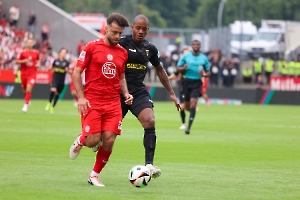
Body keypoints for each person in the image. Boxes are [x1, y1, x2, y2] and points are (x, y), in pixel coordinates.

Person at [69, 13, 133, 187]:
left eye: (120, 33)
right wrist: (81, 97)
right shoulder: (91, 47)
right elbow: (76, 72)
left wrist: (126, 94)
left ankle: (94, 175)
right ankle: (81, 140)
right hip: (93, 101)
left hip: (113, 102)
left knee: (110, 139)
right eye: (114, 32)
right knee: (93, 141)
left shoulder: (123, 53)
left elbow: (121, 78)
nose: (117, 36)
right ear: (106, 29)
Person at [117, 14, 180, 178]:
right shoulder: (121, 42)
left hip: (138, 91)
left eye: (144, 29)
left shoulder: (150, 49)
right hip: (118, 91)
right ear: (132, 27)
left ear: (147, 30)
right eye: (138, 28)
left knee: (150, 121)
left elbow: (160, 70)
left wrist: (172, 94)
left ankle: (149, 165)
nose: (140, 31)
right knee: (107, 135)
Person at [177, 40, 210, 134]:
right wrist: (183, 68)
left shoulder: (203, 58)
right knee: (185, 106)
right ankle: (184, 120)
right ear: (192, 46)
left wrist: (203, 74)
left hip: (197, 83)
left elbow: (208, 72)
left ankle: (188, 127)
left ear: (200, 46)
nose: (196, 46)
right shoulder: (186, 56)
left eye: (197, 44)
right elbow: (178, 68)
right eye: (194, 44)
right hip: (186, 82)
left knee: (193, 103)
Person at [15, 38, 40, 112]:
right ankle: (27, 99)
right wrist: (24, 61)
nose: (29, 44)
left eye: (31, 42)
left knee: (29, 88)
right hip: (23, 74)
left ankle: (25, 105)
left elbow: (38, 60)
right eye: (28, 42)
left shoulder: (36, 53)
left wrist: (38, 64)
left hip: (32, 73)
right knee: (24, 90)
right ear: (26, 44)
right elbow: (16, 62)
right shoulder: (22, 53)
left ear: (33, 44)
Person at [168, 47, 190, 129]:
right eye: (185, 53)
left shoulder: (194, 63)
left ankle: (191, 108)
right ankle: (184, 123)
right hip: (183, 86)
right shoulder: (181, 65)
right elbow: (175, 74)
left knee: (187, 106)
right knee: (182, 106)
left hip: (193, 86)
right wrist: (166, 78)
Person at [45, 48, 70, 113]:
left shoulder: (66, 63)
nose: (63, 54)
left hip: (61, 81)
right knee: (53, 90)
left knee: (57, 94)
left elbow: (70, 71)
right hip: (55, 79)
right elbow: (52, 67)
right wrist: (49, 69)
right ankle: (49, 102)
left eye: (65, 53)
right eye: (62, 52)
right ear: (60, 53)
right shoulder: (56, 61)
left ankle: (53, 106)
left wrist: (68, 71)